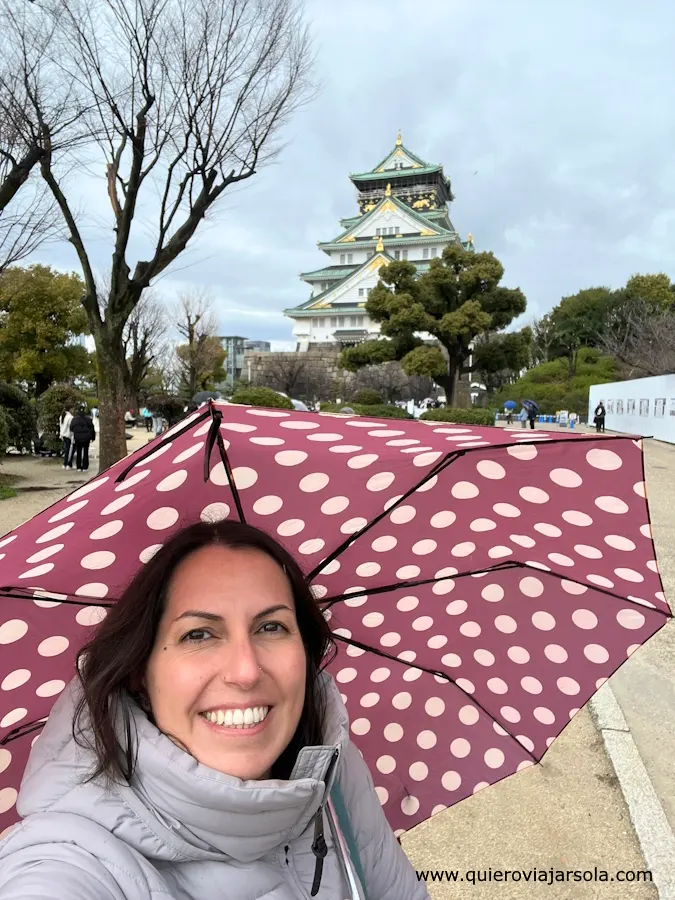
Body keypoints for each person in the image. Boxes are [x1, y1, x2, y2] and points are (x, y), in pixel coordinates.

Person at [0, 521, 428, 900]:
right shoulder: (70, 859)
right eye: (199, 634)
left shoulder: (334, 775)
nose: (245, 671)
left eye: (271, 626)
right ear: (140, 674)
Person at [69, 405, 96, 472]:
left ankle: (78, 466)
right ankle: (85, 466)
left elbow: (71, 428)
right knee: (85, 452)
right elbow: (92, 429)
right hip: (86, 438)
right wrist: (93, 437)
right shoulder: (88, 419)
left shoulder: (74, 419)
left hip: (77, 437)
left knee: (79, 452)